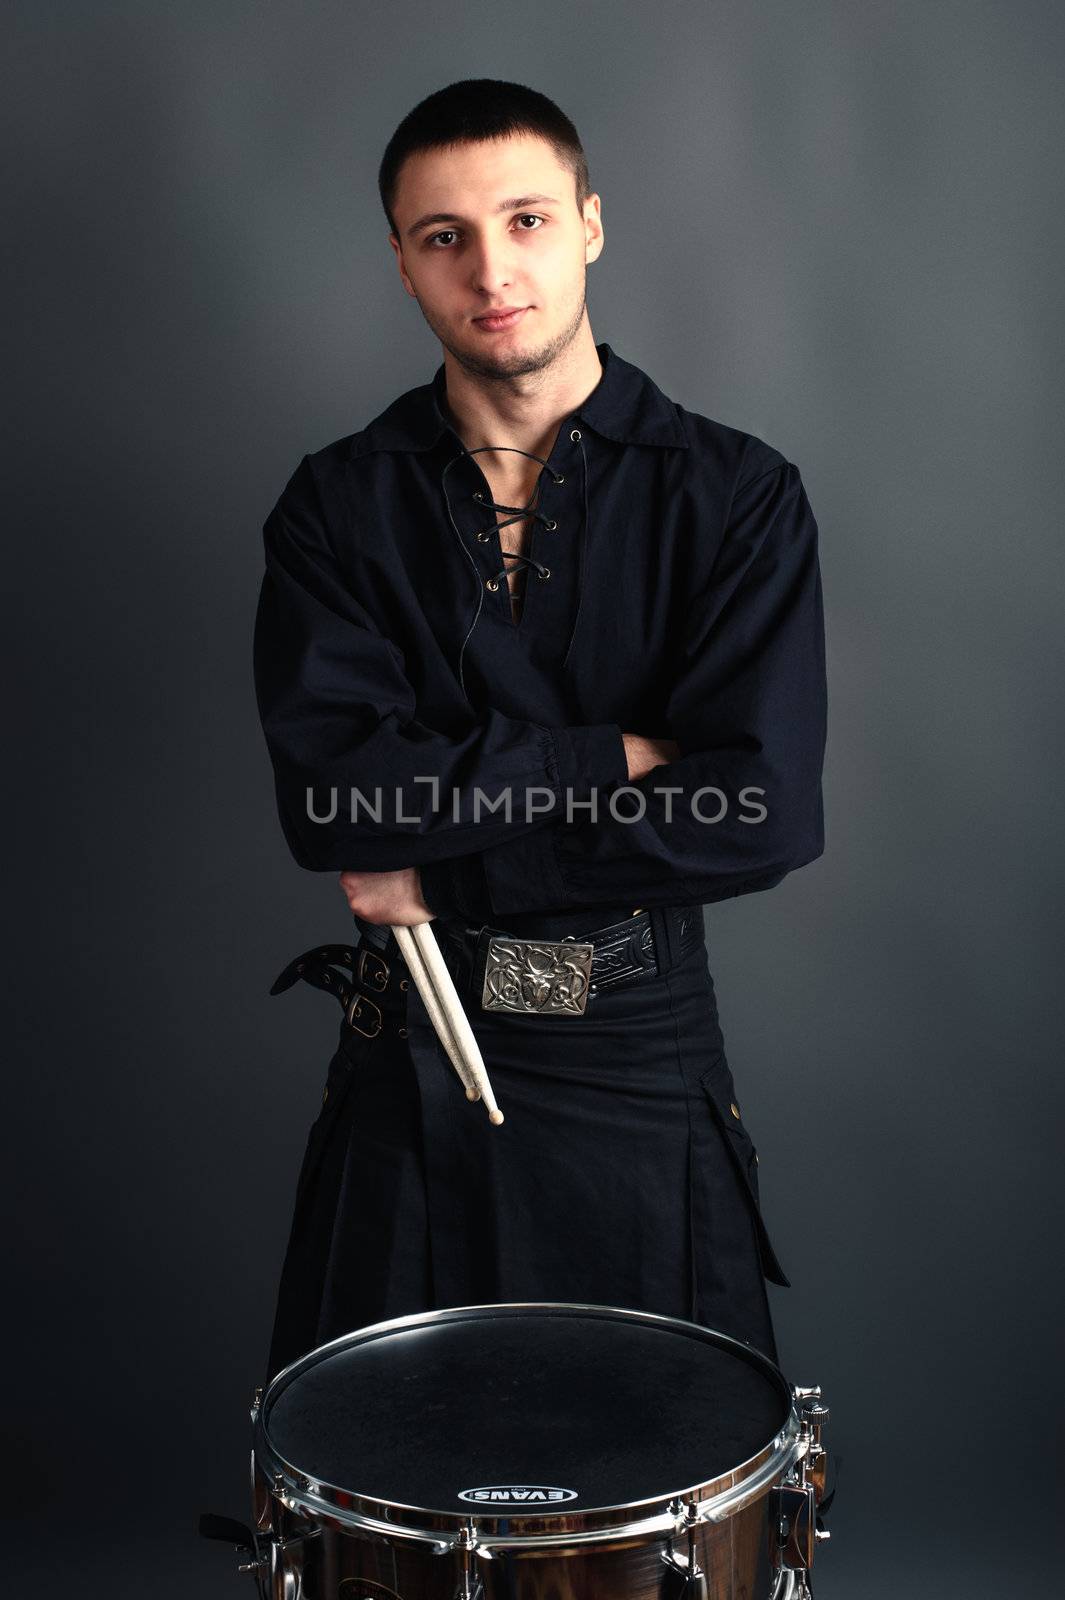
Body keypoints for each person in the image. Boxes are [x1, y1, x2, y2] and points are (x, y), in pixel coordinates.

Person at [252, 78, 827, 1384]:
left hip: (636, 1044)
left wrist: (447, 863)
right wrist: (610, 756)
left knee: (659, 1504)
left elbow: (762, 808)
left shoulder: (733, 496)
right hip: (412, 1041)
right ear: (401, 262)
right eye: (444, 234)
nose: (492, 267)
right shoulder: (336, 506)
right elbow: (334, 810)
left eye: (524, 219)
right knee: (385, 1507)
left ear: (590, 225)